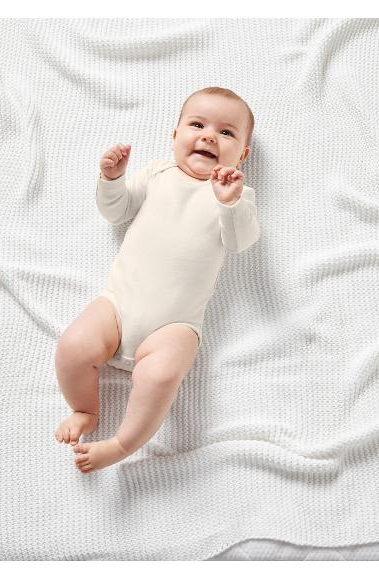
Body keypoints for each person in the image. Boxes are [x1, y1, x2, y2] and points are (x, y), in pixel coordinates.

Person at [54, 87, 261, 473]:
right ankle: (84, 408)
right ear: (175, 135)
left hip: (174, 326)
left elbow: (239, 242)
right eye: (197, 125)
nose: (209, 136)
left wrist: (229, 201)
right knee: (72, 346)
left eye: (227, 133)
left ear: (243, 154)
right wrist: (112, 179)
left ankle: (121, 444)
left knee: (161, 376)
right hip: (117, 305)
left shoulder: (236, 195)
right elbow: (116, 213)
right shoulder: (156, 174)